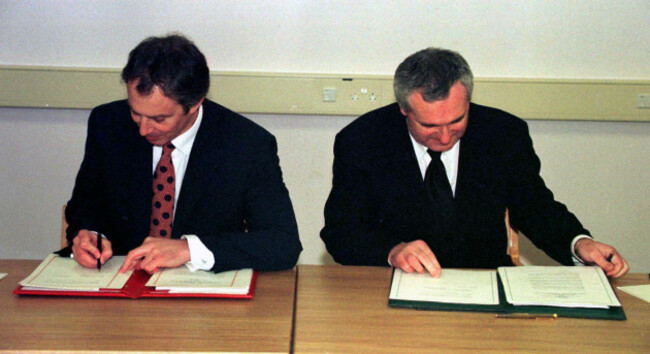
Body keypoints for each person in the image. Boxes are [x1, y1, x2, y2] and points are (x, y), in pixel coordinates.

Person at [321, 47, 628, 278]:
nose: (444, 136)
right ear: (403, 109)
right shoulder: (362, 140)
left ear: (468, 100)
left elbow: (534, 207)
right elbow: (341, 231)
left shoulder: (503, 133)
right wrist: (392, 251)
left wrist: (578, 243)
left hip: (485, 282)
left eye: (456, 120)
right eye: (429, 126)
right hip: (397, 286)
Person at [63, 34, 302, 274]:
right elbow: (86, 204)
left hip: (200, 296)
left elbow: (282, 243)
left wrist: (188, 249)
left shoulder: (246, 144)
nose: (144, 129)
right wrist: (90, 234)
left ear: (195, 103)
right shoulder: (108, 124)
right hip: (119, 285)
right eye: (135, 113)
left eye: (159, 119)